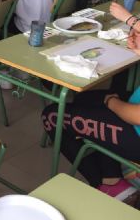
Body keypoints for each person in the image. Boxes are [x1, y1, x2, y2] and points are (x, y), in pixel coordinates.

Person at [41, 28, 140, 200]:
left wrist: (112, 103)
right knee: (84, 99)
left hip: (135, 129)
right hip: (132, 110)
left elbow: (136, 115)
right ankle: (111, 175)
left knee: (52, 116)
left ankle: (108, 186)